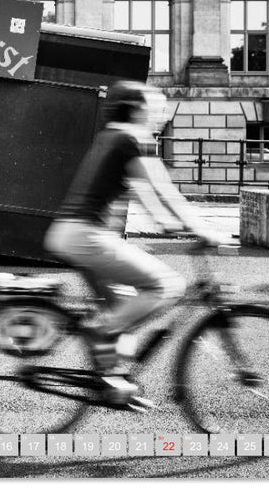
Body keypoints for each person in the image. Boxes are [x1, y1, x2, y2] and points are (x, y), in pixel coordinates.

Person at [44, 80, 227, 406]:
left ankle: (114, 382)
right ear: (138, 108)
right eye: (157, 108)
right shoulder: (131, 139)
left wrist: (169, 223)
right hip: (87, 236)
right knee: (166, 286)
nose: (161, 115)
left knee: (124, 308)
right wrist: (201, 227)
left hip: (70, 234)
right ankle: (103, 336)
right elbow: (163, 189)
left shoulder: (111, 137)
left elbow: (146, 193)